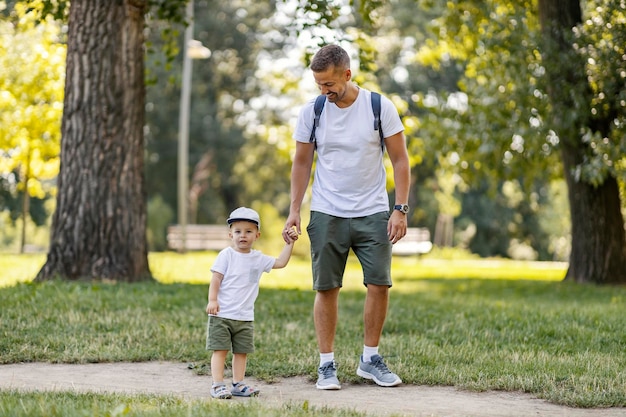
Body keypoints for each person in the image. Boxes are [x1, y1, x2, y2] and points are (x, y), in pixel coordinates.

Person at [282, 44, 410, 390]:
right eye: (319, 85)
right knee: (326, 287)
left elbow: (400, 159)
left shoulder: (378, 106)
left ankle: (370, 359)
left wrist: (400, 209)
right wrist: (294, 210)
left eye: (329, 84)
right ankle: (327, 365)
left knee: (379, 284)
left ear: (347, 74)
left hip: (372, 211)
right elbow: (301, 162)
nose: (324, 91)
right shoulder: (314, 111)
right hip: (327, 211)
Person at [206, 206, 298, 399]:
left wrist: (290, 243)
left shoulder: (258, 258)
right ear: (230, 234)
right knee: (220, 350)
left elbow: (280, 262)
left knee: (241, 352)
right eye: (238, 231)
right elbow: (216, 279)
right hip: (221, 314)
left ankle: (238, 384)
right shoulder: (226, 255)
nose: (243, 236)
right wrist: (212, 300)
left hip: (245, 316)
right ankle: (217, 384)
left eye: (248, 231)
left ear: (257, 235)